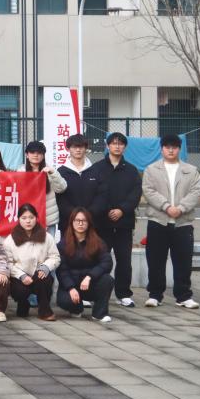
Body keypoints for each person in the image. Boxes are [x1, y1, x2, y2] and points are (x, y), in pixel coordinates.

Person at [142, 134, 200, 309]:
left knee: (183, 261)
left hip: (183, 223)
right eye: (167, 147)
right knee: (155, 260)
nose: (170, 150)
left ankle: (183, 296)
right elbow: (148, 190)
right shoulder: (151, 169)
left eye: (174, 147)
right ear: (161, 149)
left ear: (179, 149)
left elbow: (197, 191)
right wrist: (166, 206)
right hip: (158, 221)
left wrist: (181, 208)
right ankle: (155, 295)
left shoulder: (191, 170)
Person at [90, 132, 142, 308]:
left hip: (124, 224)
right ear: (107, 146)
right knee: (98, 259)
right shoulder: (97, 168)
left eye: (120, 144)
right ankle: (95, 293)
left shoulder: (131, 170)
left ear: (125, 147)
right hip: (102, 223)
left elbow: (136, 193)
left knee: (124, 260)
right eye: (113, 143)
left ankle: (123, 294)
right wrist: (106, 210)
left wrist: (122, 210)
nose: (117, 146)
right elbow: (94, 193)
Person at [3, 203, 60, 321]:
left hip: (39, 274)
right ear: (19, 219)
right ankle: (23, 303)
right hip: (19, 277)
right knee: (19, 291)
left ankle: (44, 310)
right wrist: (21, 275)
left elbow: (55, 257)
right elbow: (7, 263)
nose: (28, 221)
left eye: (31, 217)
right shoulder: (10, 240)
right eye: (24, 218)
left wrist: (46, 267)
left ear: (36, 218)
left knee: (44, 278)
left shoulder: (47, 237)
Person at [56, 208, 115, 323]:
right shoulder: (63, 244)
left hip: (90, 284)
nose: (80, 223)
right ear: (72, 223)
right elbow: (62, 270)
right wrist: (70, 288)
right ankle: (77, 309)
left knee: (107, 280)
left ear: (89, 223)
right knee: (64, 301)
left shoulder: (98, 242)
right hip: (72, 284)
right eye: (77, 220)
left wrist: (89, 276)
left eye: (84, 221)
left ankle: (99, 314)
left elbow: (106, 262)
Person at [56, 134, 108, 235]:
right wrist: (75, 215)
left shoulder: (96, 170)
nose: (78, 150)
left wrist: (88, 214)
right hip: (68, 223)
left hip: (93, 222)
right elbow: (60, 198)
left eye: (81, 146)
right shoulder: (61, 171)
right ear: (68, 149)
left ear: (86, 148)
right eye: (74, 147)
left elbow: (102, 195)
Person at [24, 141, 68, 237]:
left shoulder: (50, 171)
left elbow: (62, 188)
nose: (36, 155)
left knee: (49, 245)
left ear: (43, 155)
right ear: (27, 155)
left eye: (39, 153)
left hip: (48, 220)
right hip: (27, 220)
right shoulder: (20, 172)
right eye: (32, 152)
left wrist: (52, 173)